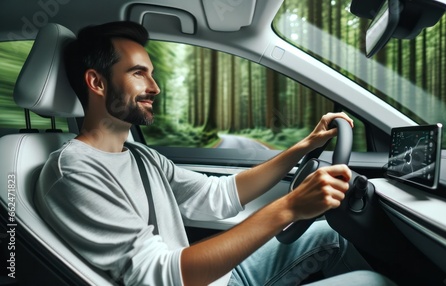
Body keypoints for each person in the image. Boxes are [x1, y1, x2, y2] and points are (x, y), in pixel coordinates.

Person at [34, 21, 388, 286]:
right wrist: (291, 207)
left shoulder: (141, 157)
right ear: (96, 82)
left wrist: (305, 145)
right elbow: (159, 275)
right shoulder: (73, 172)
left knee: (329, 234)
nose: (155, 87)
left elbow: (217, 195)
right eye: (139, 74)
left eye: (152, 74)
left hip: (219, 278)